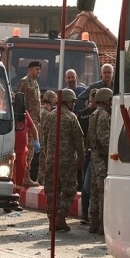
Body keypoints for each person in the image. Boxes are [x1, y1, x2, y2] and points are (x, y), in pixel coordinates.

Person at [41, 88, 85, 232]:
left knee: (51, 191)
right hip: (66, 162)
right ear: (67, 101)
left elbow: (44, 138)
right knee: (69, 189)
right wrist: (81, 158)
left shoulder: (50, 116)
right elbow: (79, 140)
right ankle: (60, 217)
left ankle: (52, 219)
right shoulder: (71, 117)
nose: (73, 104)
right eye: (72, 101)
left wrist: (47, 156)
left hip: (51, 160)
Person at [87, 87, 112, 235]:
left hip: (95, 157)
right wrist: (113, 151)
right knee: (103, 191)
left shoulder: (94, 114)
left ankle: (94, 222)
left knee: (94, 190)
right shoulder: (103, 115)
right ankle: (102, 225)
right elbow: (104, 137)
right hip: (102, 157)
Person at [15, 60, 42, 187]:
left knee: (31, 150)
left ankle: (27, 175)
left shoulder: (35, 84)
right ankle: (25, 176)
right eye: (36, 69)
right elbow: (19, 101)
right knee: (28, 149)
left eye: (39, 69)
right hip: (26, 121)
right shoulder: (24, 82)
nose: (39, 71)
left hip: (35, 121)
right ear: (30, 70)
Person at [76, 89, 98, 223]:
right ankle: (85, 214)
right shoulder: (83, 114)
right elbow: (79, 135)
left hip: (96, 154)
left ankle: (90, 214)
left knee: (92, 184)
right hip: (86, 154)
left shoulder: (104, 113)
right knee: (86, 184)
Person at [13, 106, 38, 198]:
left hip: (22, 150)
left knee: (20, 174)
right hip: (9, 149)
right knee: (10, 175)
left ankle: (16, 197)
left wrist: (36, 140)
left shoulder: (24, 113)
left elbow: (32, 127)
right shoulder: (5, 112)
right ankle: (9, 196)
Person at [36, 90, 57, 185]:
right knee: (43, 161)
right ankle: (41, 179)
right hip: (43, 139)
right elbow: (45, 128)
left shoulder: (43, 111)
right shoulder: (46, 113)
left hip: (41, 139)